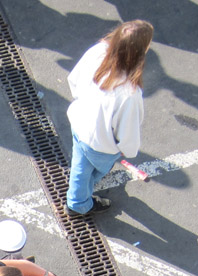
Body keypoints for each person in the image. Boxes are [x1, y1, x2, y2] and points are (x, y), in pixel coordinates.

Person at [65, 20, 152, 215]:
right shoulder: (129, 92)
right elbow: (127, 132)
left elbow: (74, 81)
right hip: (101, 144)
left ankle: (77, 200)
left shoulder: (98, 52)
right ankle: (78, 203)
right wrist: (127, 150)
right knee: (96, 170)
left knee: (80, 165)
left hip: (79, 123)